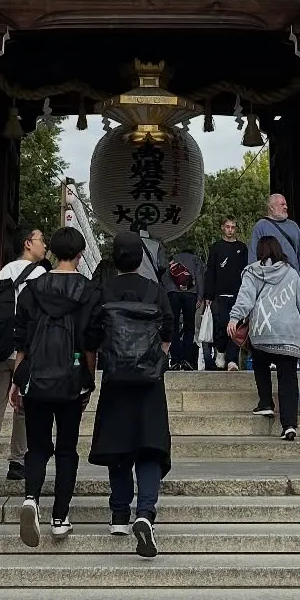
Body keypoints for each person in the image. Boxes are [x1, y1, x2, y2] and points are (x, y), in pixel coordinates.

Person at [12, 224, 100, 547]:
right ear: (79, 254)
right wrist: (88, 381)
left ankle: (31, 499)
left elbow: (22, 337)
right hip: (71, 378)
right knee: (66, 448)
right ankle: (60, 517)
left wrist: (17, 378)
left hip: (36, 377)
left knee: (36, 447)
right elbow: (90, 342)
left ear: (51, 253)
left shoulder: (33, 289)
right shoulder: (89, 292)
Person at [90, 230, 174, 559]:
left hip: (115, 379)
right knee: (150, 446)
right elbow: (168, 329)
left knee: (119, 445)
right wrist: (157, 358)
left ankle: (119, 514)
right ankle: (146, 511)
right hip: (149, 380)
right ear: (141, 258)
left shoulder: (104, 289)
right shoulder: (155, 291)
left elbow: (93, 332)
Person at [0, 223, 50, 504]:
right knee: (25, 408)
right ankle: (18, 461)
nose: (45, 245)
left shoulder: (4, 271)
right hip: (26, 353)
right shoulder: (41, 275)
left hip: (0, 350)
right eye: (41, 239)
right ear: (28, 243)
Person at [227, 234, 300, 440]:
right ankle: (289, 424)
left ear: (260, 252)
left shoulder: (253, 271)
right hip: (288, 332)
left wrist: (235, 318)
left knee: (260, 364)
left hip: (263, 329)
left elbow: (246, 297)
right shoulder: (291, 273)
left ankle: (266, 403)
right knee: (287, 377)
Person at [202, 217, 248, 370]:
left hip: (238, 294)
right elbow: (210, 272)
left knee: (236, 326)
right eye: (227, 226)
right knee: (221, 324)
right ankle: (220, 350)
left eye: (233, 227)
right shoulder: (216, 247)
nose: (230, 230)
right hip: (219, 295)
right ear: (222, 227)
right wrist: (208, 295)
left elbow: (246, 272)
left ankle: (232, 360)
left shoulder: (242, 248)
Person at [247, 192, 300, 293]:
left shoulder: (293, 226)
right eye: (282, 204)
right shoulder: (260, 226)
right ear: (272, 207)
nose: (286, 207)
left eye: (286, 204)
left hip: (293, 281)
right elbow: (253, 257)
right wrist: (254, 286)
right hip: (269, 284)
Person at [165, 243, 203, 370]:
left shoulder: (174, 258)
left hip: (173, 293)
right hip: (190, 294)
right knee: (189, 327)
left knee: (174, 326)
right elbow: (199, 278)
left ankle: (175, 360)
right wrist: (200, 297)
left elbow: (165, 277)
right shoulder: (195, 259)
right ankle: (187, 359)